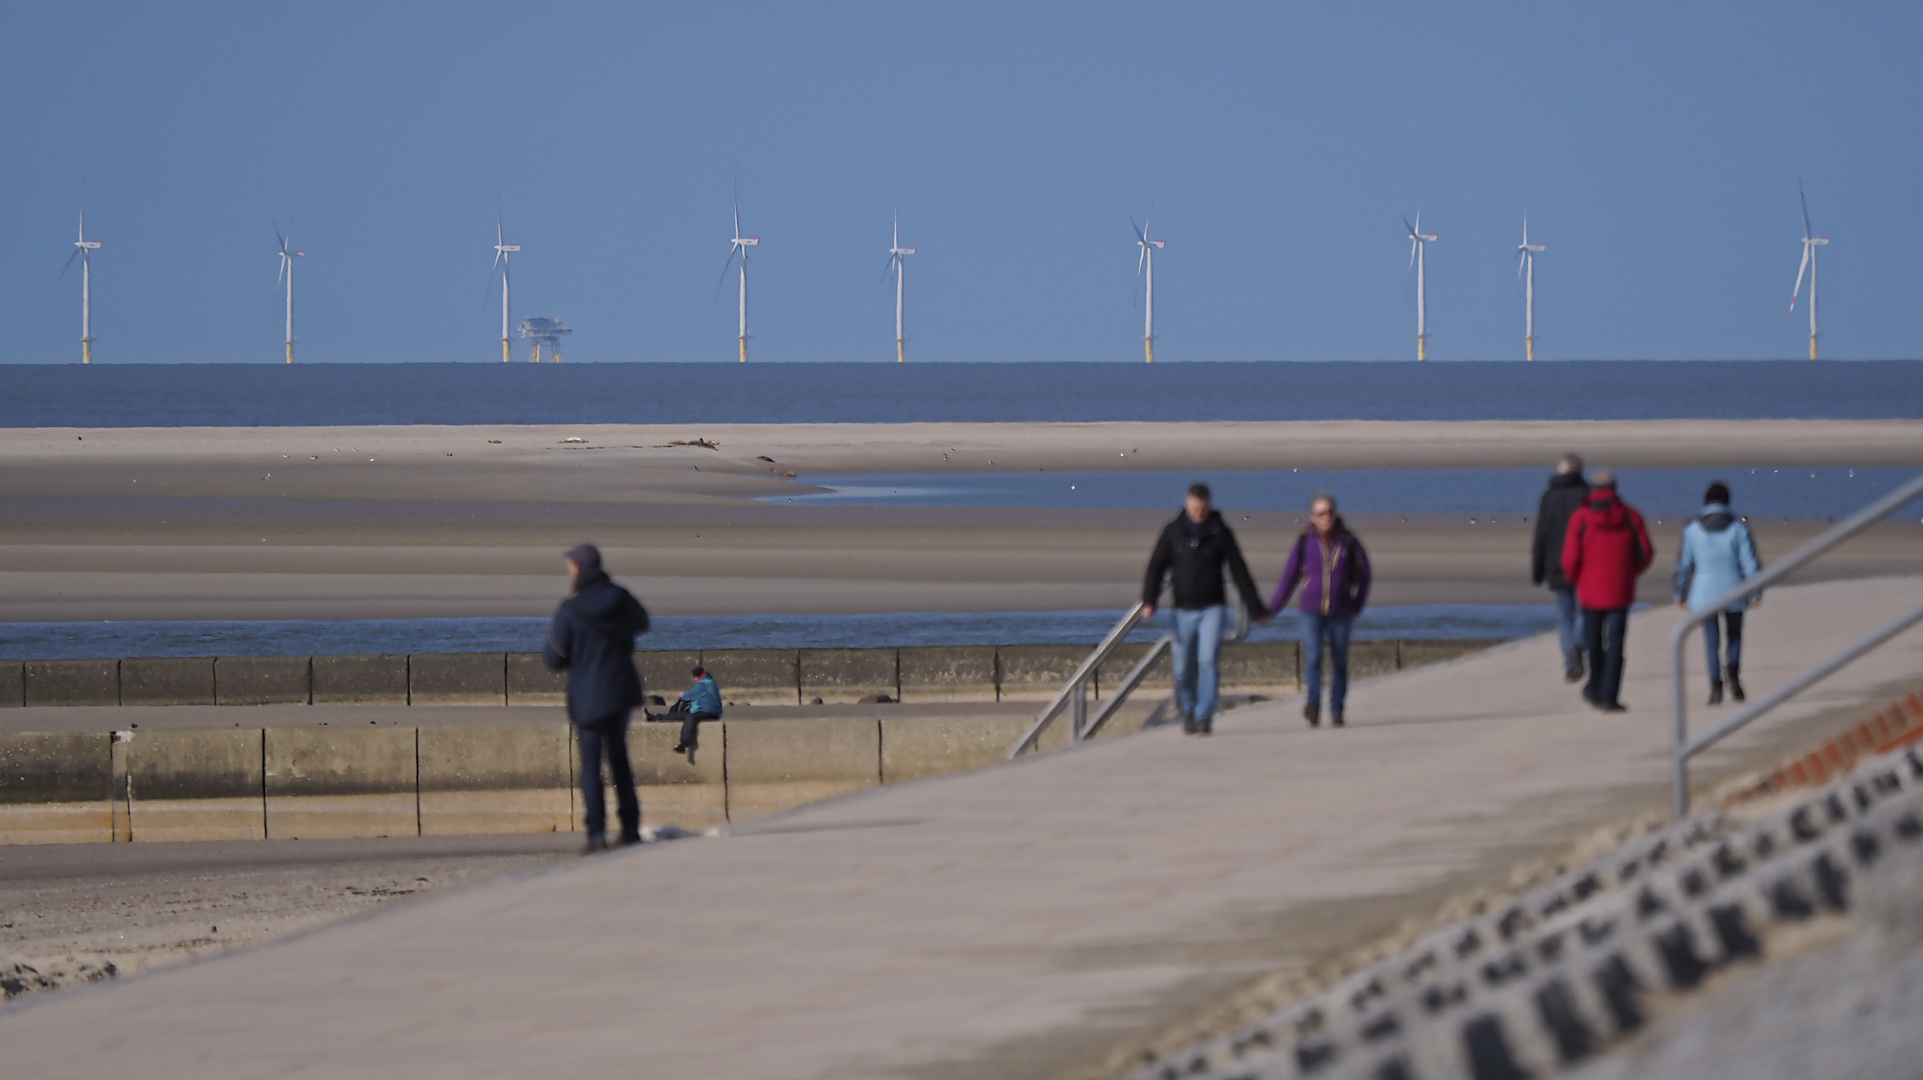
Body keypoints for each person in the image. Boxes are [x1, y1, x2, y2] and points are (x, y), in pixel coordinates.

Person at [542, 543, 651, 853]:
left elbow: (553, 658)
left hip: (587, 695)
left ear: (578, 568)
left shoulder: (570, 609)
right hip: (619, 690)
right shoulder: (620, 596)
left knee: (591, 765)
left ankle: (596, 836)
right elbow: (643, 622)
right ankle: (630, 829)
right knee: (620, 760)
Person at [1141, 483, 1268, 735]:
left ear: (1209, 505)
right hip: (1182, 610)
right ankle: (1187, 709)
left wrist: (1256, 608)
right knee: (1182, 667)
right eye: (1195, 508)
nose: (1199, 512)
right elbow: (1156, 566)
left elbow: (1239, 570)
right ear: (1188, 504)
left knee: (1208, 660)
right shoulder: (1173, 532)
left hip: (1213, 608)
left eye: (1203, 508)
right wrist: (1150, 600)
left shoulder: (1219, 531)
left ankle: (1204, 714)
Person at [1271, 493, 1373, 728]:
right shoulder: (1304, 542)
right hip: (1311, 611)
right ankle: (1313, 705)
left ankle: (1337, 710)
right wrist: (1273, 609)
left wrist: (1357, 605)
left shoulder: (1348, 541)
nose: (1325, 517)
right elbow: (1289, 578)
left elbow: (1366, 573)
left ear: (1334, 514)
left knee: (1339, 662)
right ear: (1312, 517)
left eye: (1328, 512)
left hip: (1341, 611)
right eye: (1320, 514)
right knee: (1314, 658)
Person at [1560, 470, 1653, 713]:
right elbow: (1645, 554)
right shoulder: (1631, 516)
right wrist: (1629, 573)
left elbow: (1570, 560)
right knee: (1616, 645)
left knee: (1594, 643)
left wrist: (1575, 579)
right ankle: (1608, 696)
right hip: (1619, 590)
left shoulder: (1580, 518)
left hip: (1590, 592)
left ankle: (1597, 690)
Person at [1674, 481, 1763, 706]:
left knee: (1711, 642)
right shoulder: (1738, 527)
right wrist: (1756, 591)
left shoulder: (1692, 529)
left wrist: (1680, 593)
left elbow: (1684, 565)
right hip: (1734, 588)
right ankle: (1733, 673)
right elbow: (1750, 563)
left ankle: (1715, 687)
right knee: (1734, 637)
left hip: (1704, 593)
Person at [1532, 453, 1590, 682]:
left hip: (1556, 564)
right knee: (1584, 611)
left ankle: (1570, 662)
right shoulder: (1585, 495)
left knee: (1565, 615)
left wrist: (1537, 568)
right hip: (1582, 563)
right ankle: (1578, 644)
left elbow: (1541, 535)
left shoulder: (1549, 497)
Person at [669, 666, 723, 755]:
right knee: (682, 715)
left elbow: (689, 695)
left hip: (709, 711)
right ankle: (655, 717)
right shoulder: (709, 682)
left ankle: (684, 743)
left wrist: (682, 695)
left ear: (695, 677)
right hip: (708, 710)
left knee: (691, 717)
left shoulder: (703, 684)